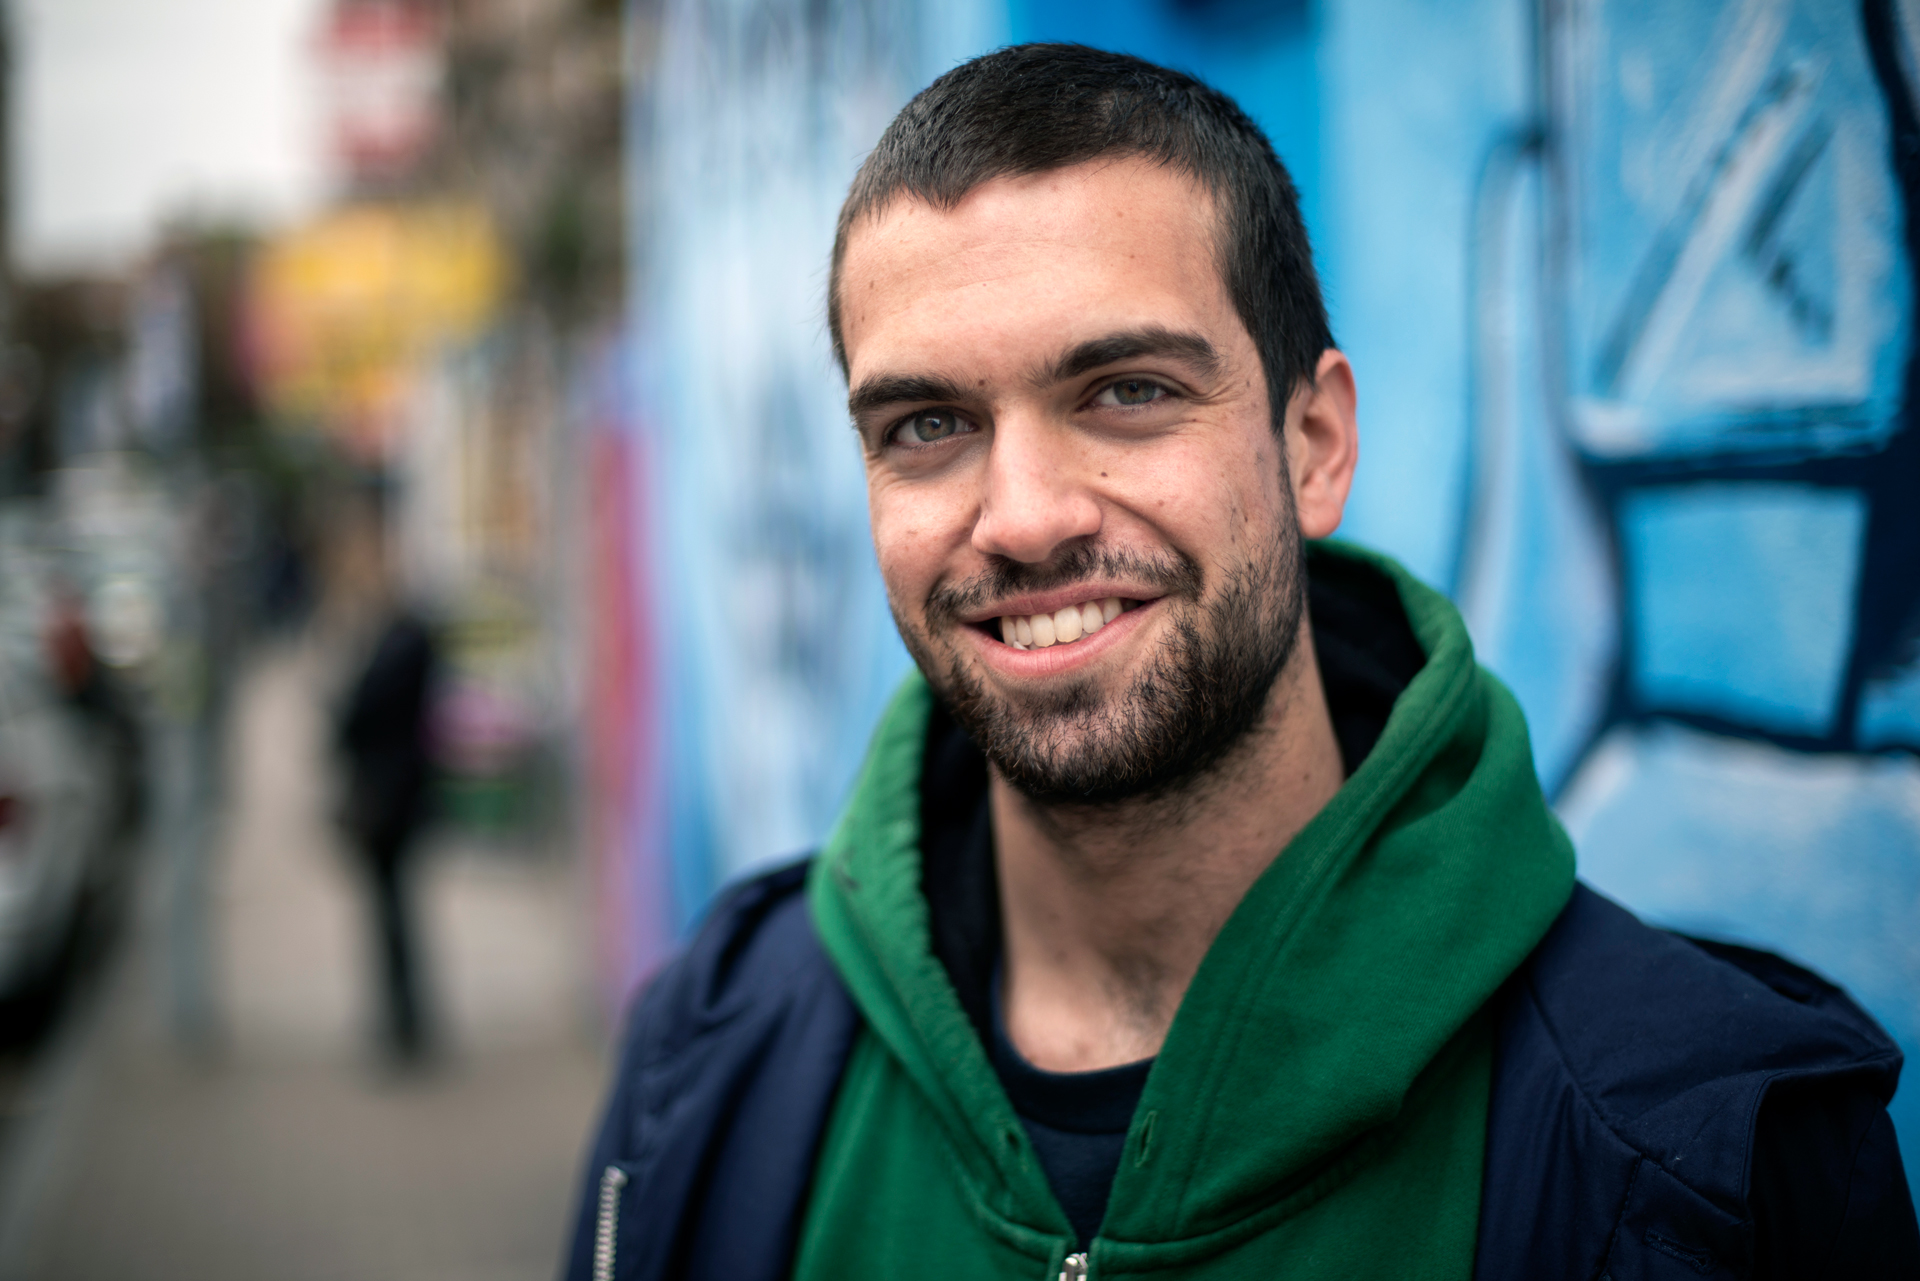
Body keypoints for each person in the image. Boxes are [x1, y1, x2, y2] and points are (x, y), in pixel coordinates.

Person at [564, 44, 1919, 1281]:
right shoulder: (711, 1056)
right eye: (927, 424)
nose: (1025, 514)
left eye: (1128, 392)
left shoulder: (1707, 1152)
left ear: (1315, 443)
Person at [336, 603, 440, 1064]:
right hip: (399, 798)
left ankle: (404, 1024)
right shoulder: (404, 642)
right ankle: (406, 1021)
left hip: (388, 801)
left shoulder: (400, 645)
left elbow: (353, 718)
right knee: (395, 916)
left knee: (392, 919)